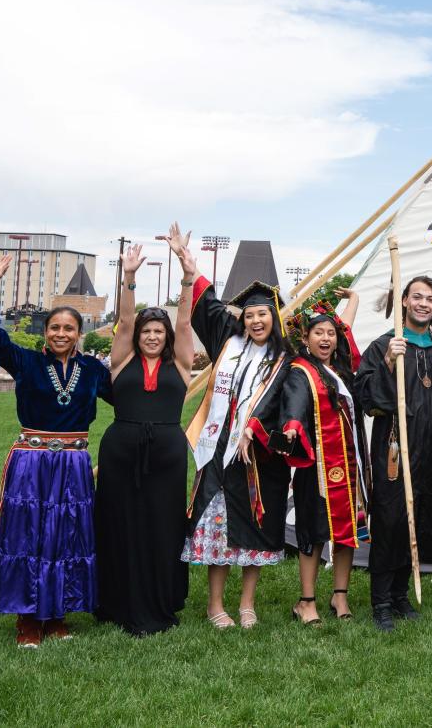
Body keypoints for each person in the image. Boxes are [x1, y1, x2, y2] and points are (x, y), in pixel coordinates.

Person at [0, 254, 112, 647]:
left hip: (73, 464)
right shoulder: (26, 362)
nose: (61, 333)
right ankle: (27, 619)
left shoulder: (92, 371)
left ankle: (56, 615)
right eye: (55, 327)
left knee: (67, 537)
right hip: (31, 462)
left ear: (79, 332)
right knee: (28, 536)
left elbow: (128, 403)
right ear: (46, 331)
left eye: (69, 328)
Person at [93, 232, 196, 636]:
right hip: (122, 452)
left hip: (167, 454)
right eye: (146, 331)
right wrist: (129, 278)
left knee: (162, 525)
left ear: (167, 337)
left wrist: (188, 277)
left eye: (159, 331)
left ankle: (161, 598)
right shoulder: (121, 360)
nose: (152, 335)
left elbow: (185, 320)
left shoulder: (183, 363)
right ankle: (116, 601)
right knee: (120, 523)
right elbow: (124, 320)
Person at [181, 259, 292, 630]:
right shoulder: (228, 341)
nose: (256, 321)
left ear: (274, 317)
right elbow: (208, 306)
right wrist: (189, 267)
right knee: (217, 526)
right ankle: (215, 605)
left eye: (263, 314)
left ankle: (247, 604)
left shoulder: (284, 360)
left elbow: (282, 401)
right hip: (217, 451)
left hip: (257, 457)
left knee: (252, 531)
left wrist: (254, 428)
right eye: (249, 316)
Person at [356, 275, 432, 631]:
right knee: (390, 520)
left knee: (417, 519)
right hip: (396, 446)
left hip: (431, 448)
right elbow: (367, 399)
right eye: (416, 296)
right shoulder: (384, 345)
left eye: (430, 299)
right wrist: (389, 362)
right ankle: (381, 601)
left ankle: (402, 595)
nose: (423, 303)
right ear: (402, 300)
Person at [256, 289, 366, 625]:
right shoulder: (300, 370)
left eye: (331, 333)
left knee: (348, 531)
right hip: (316, 464)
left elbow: (345, 326)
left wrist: (354, 299)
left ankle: (340, 596)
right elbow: (295, 402)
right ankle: (306, 601)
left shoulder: (343, 370)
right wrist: (290, 427)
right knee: (314, 530)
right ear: (305, 337)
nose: (326, 338)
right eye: (318, 332)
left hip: (350, 462)